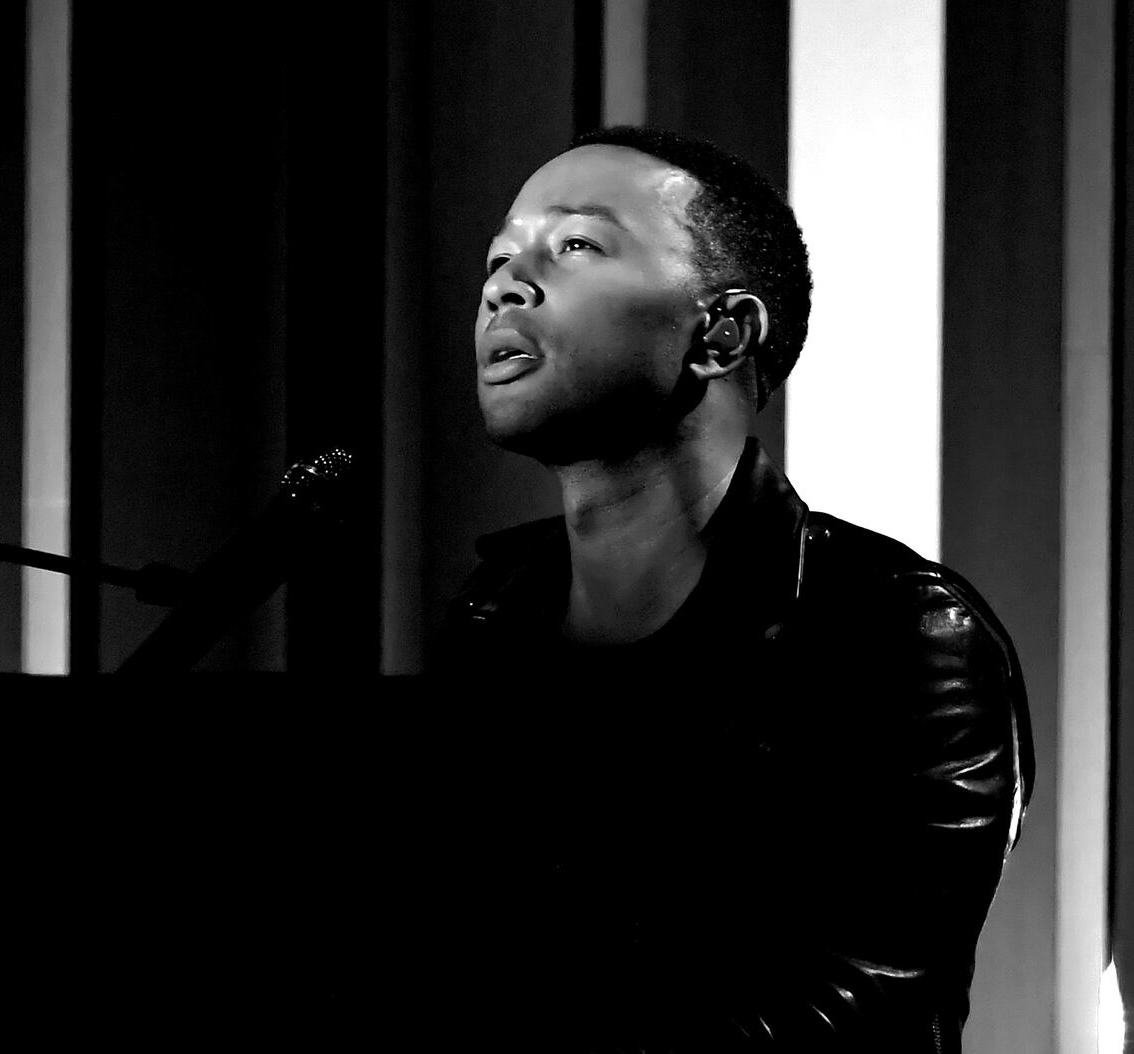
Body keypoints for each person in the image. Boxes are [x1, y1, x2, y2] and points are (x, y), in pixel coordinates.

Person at [430, 126, 1035, 1052]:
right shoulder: (491, 621)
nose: (506, 283)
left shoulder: (899, 633)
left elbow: (861, 1007)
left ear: (723, 330)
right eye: (499, 256)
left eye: (577, 245)